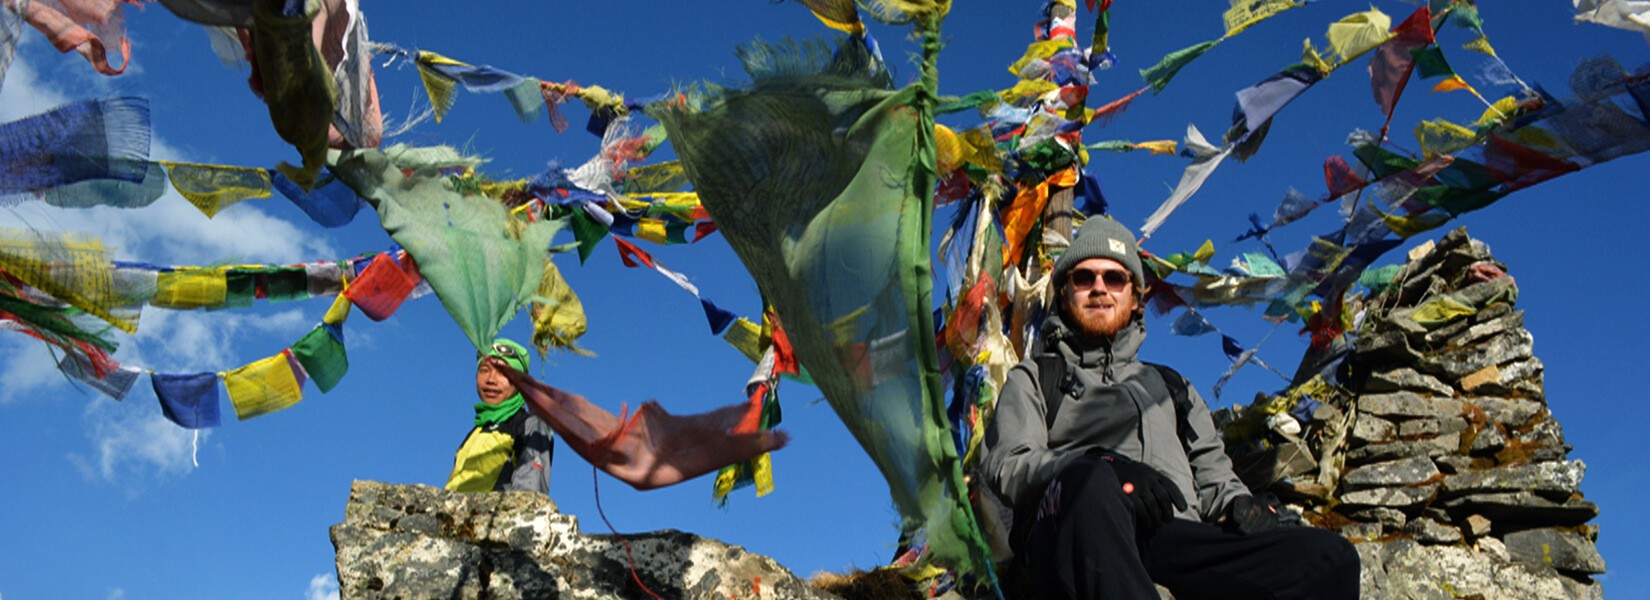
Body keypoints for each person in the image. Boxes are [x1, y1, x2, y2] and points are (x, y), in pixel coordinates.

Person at [981, 217, 1359, 599]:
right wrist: (1103, 465)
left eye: (1114, 278)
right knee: (1089, 483)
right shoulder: (1035, 377)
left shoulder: (1171, 386)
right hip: (1076, 528)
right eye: (1084, 278)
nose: (1099, 289)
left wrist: (1240, 503)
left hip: (1172, 537)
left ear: (1135, 298)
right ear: (1065, 294)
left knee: (1330, 558)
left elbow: (1214, 477)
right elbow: (1009, 465)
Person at [446, 338, 553, 495]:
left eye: (503, 372)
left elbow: (529, 495)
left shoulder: (530, 425)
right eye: (484, 370)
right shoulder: (474, 433)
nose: (490, 380)